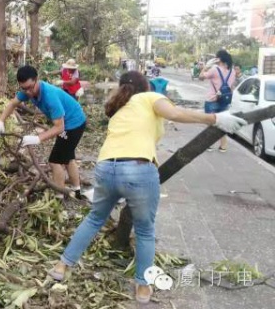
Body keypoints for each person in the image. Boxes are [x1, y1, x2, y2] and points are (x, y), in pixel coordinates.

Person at [47, 71, 247, 304]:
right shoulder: (149, 98)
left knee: (94, 219)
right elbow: (176, 113)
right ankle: (142, 286)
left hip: (105, 168)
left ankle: (62, 266)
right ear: (146, 87)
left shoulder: (118, 109)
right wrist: (215, 119)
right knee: (144, 230)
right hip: (138, 170)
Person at [0, 65, 87, 198]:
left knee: (55, 161)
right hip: (71, 122)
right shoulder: (27, 90)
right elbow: (13, 103)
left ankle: (59, 197)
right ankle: (77, 191)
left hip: (73, 124)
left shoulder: (49, 96)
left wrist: (37, 138)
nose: (28, 92)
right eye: (24, 88)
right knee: (68, 157)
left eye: (30, 87)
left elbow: (59, 128)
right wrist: (0, 122)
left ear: (37, 79)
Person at [199, 50, 235, 152]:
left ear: (218, 59)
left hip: (212, 100)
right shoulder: (232, 71)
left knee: (210, 122)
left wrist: (206, 67)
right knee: (222, 123)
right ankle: (223, 146)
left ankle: (209, 145)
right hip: (225, 100)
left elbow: (201, 77)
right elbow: (231, 87)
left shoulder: (215, 69)